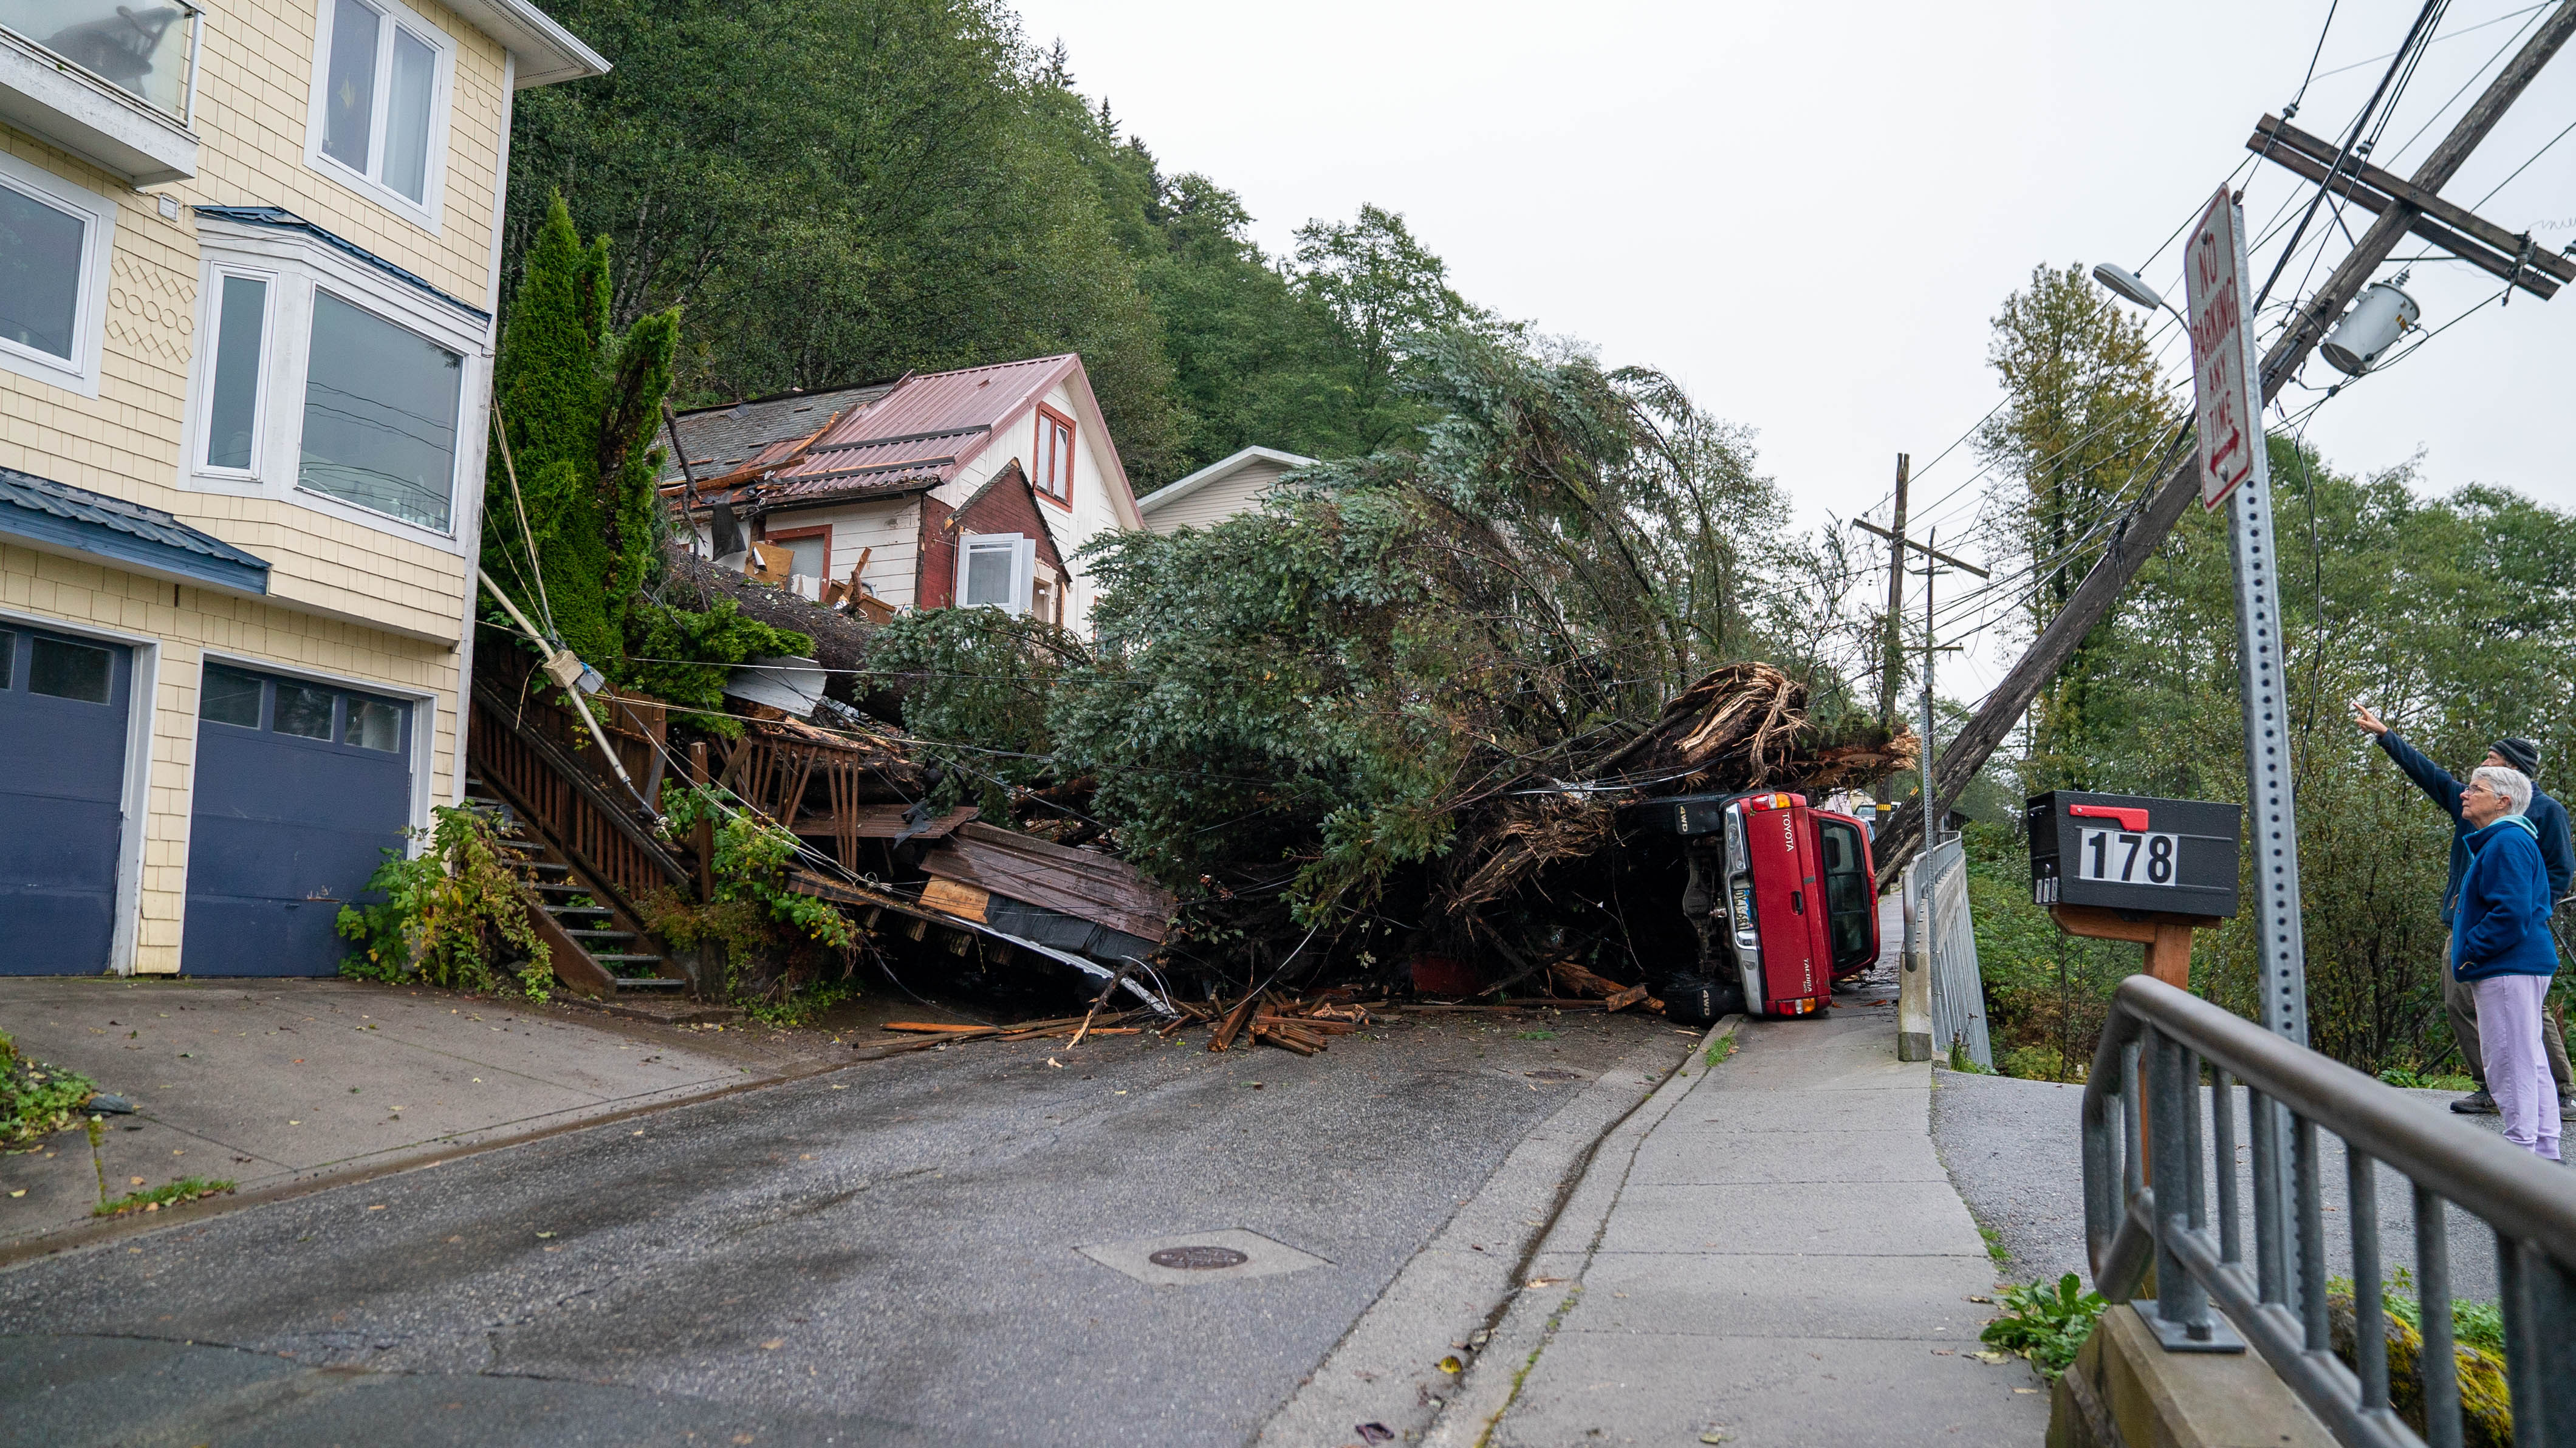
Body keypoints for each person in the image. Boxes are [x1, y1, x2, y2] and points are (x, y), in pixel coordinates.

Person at [2354, 704, 2575, 1115]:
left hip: (2518, 927)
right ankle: (2492, 1087)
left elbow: (2561, 871)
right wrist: (2386, 735)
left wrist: (2530, 915)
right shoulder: (2471, 802)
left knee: (2530, 1012)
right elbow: (2429, 774)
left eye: (2490, 761)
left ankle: (2562, 1091)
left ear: (2510, 770)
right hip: (2465, 922)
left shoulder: (2546, 812)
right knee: (2459, 1002)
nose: (2480, 767)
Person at [2449, 766, 2561, 1158]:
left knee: (2508, 1062)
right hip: (2519, 965)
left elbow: (2510, 912)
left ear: (2503, 801)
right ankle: (2543, 1150)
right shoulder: (2509, 839)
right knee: (2528, 1058)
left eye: (2475, 789)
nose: (2465, 794)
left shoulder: (2507, 842)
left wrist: (2471, 952)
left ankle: (2519, 1154)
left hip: (2508, 966)